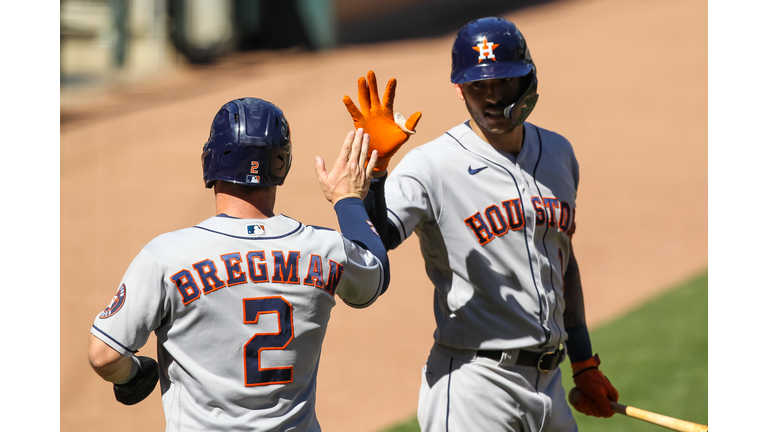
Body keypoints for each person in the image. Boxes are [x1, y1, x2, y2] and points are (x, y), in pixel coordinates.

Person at [343, 17, 620, 431]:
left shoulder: (560, 153)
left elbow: (564, 262)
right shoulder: (431, 166)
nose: (491, 99)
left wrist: (583, 360)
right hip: (475, 387)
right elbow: (376, 240)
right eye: (478, 86)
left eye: (503, 83)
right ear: (459, 89)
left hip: (551, 386)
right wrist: (377, 174)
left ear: (528, 79)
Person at [88, 97, 389, 431]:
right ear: (282, 164)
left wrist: (132, 376)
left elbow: (105, 355)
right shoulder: (325, 249)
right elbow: (374, 272)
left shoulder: (167, 256)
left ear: (210, 161)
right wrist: (350, 198)